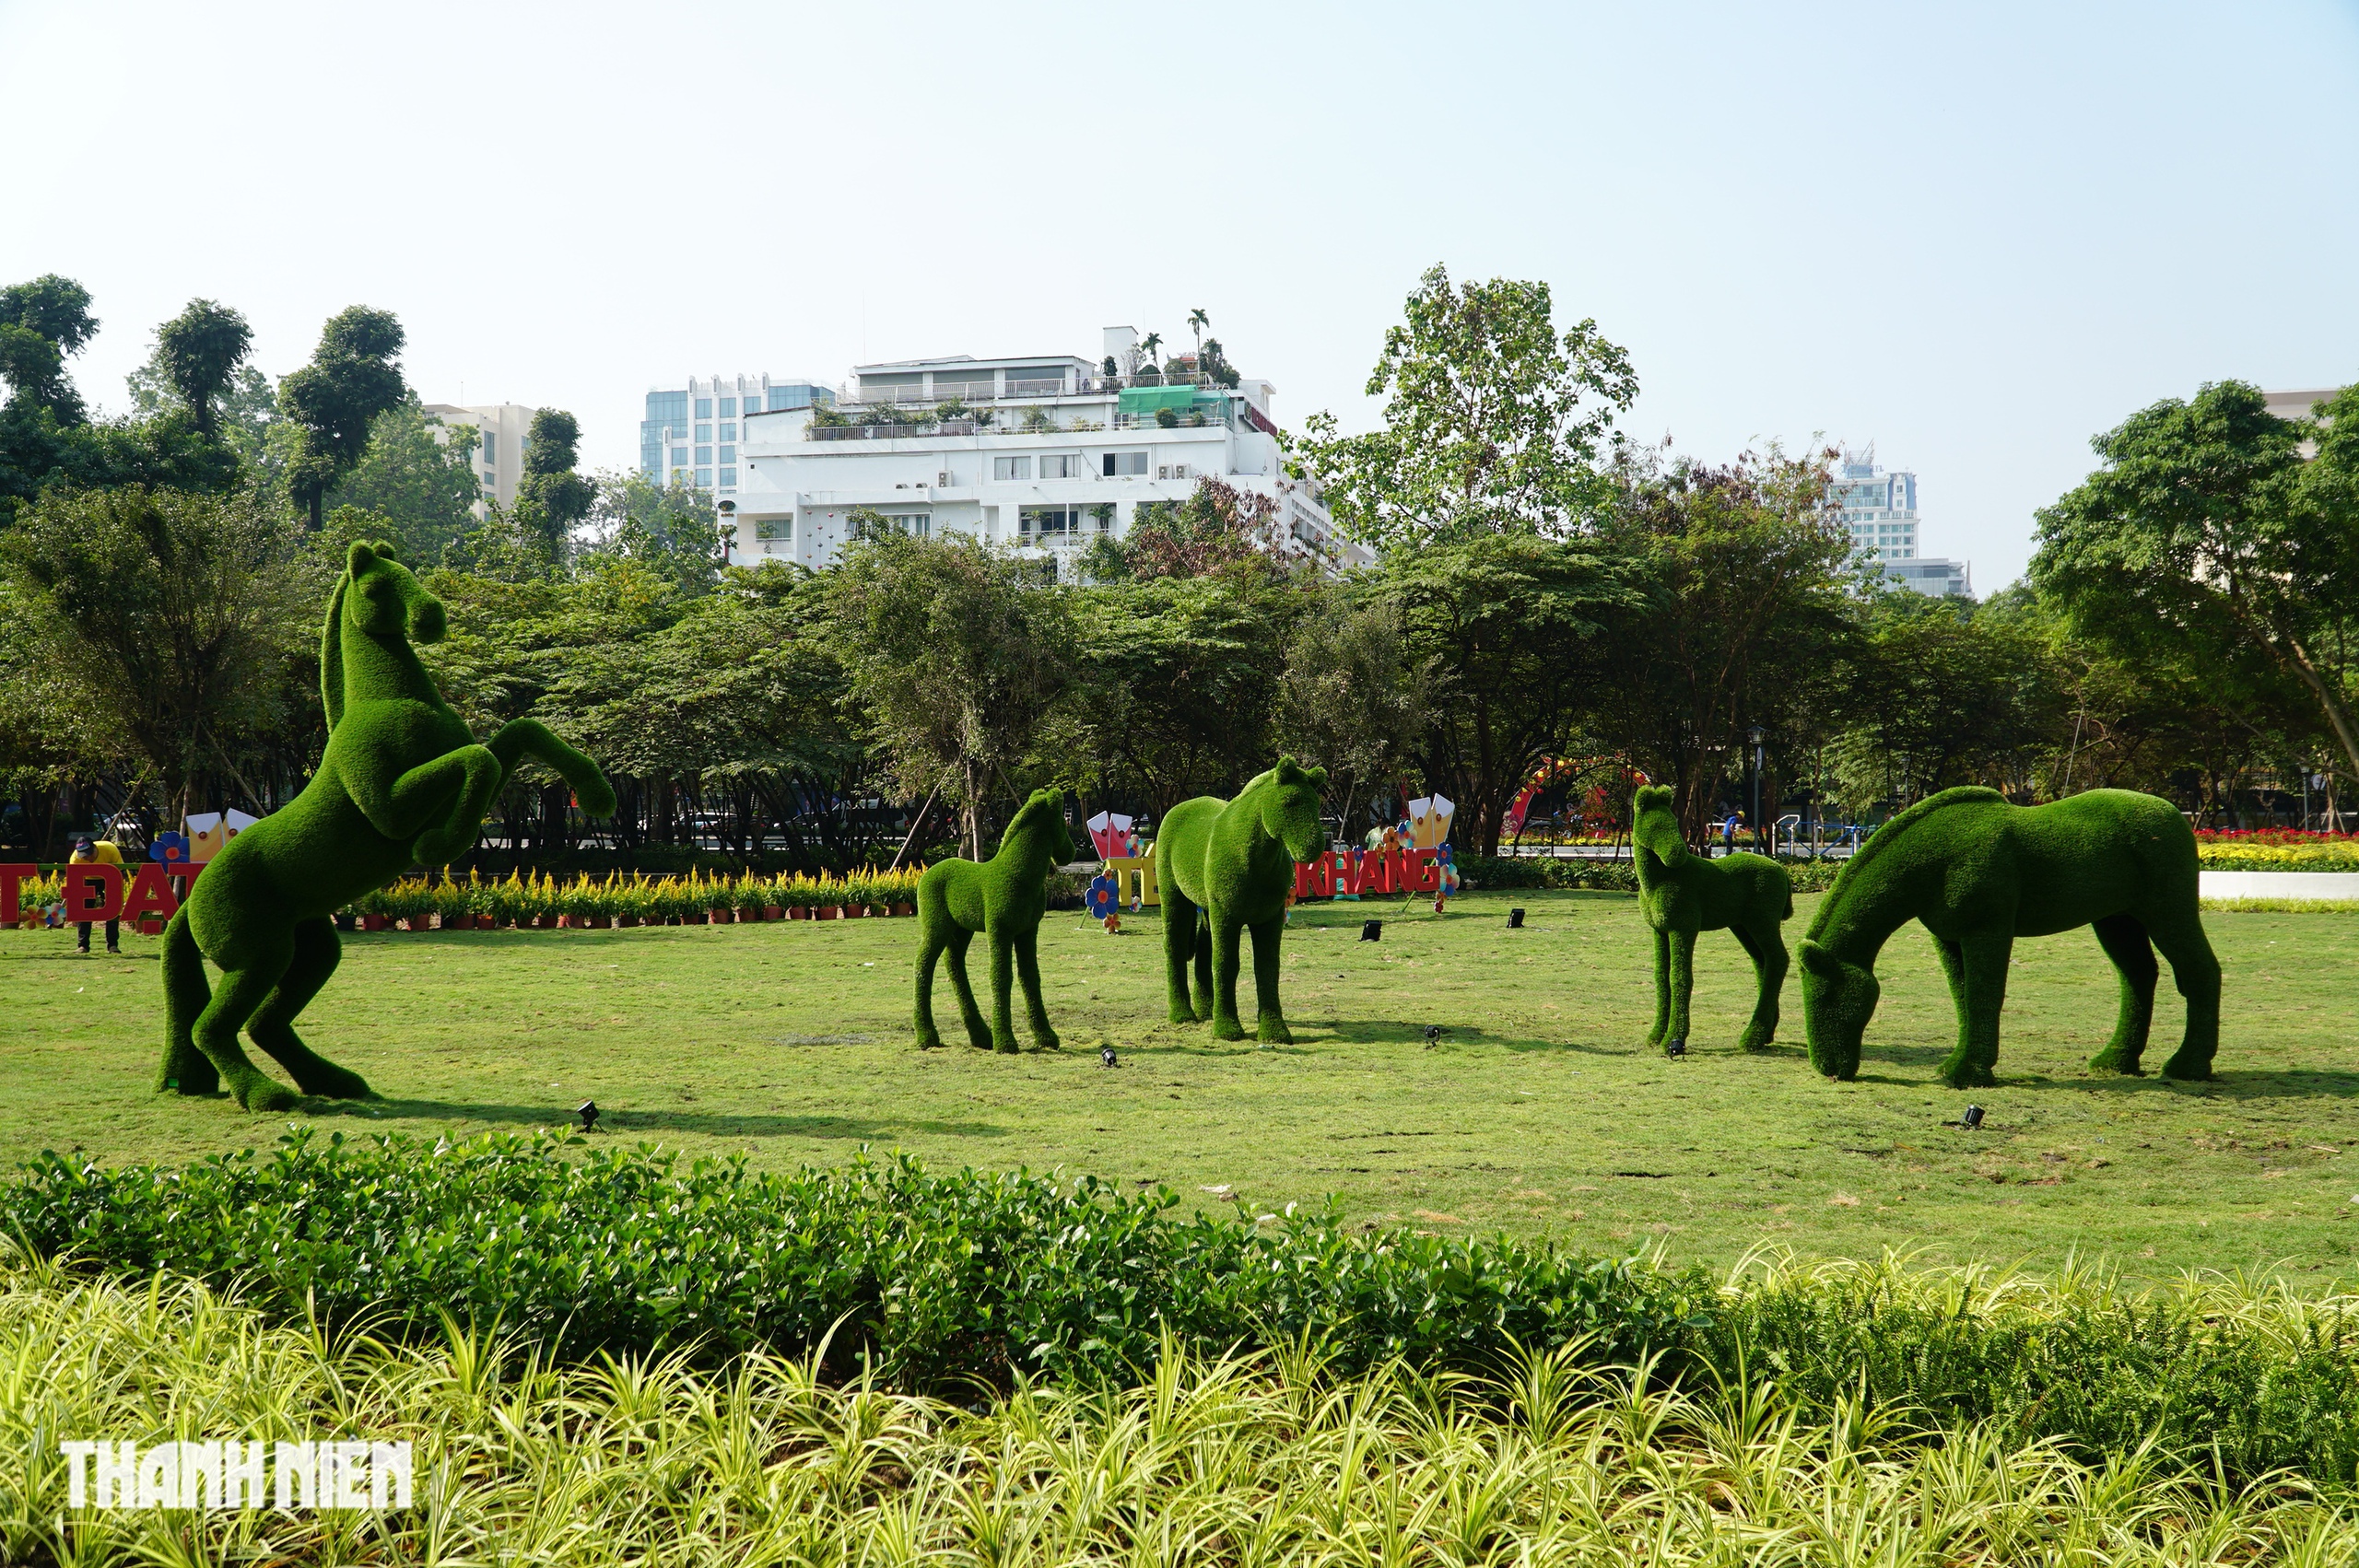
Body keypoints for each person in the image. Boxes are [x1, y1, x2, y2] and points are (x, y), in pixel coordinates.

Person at [69, 832, 123, 954]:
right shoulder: (75, 859)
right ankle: (83, 945)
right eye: (84, 856)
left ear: (95, 848)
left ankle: (113, 945)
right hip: (87, 880)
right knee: (84, 911)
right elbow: (75, 880)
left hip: (109, 878)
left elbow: (119, 870)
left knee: (113, 911)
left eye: (89, 854)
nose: (87, 858)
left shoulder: (110, 849)